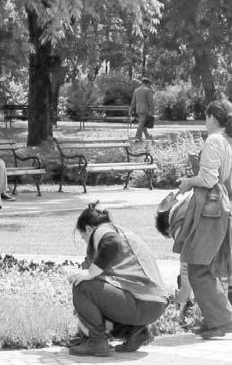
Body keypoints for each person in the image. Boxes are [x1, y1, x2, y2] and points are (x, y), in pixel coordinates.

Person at [69, 202, 168, 357]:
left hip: (140, 303)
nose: (85, 241)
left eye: (83, 237)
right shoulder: (123, 232)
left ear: (88, 229)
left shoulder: (102, 231)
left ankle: (96, 343)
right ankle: (136, 333)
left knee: (82, 285)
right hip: (154, 305)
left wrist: (90, 273)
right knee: (93, 291)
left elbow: (112, 243)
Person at [176, 99, 232, 339]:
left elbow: (208, 179)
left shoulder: (213, 140)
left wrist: (188, 181)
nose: (204, 119)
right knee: (206, 267)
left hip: (211, 211)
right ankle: (216, 320)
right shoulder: (226, 142)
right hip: (219, 209)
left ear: (211, 117)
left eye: (206, 116)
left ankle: (222, 320)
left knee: (198, 265)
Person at [155, 190, 195, 318]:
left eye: (173, 235)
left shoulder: (180, 225)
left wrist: (182, 299)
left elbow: (186, 269)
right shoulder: (189, 205)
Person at [129, 77, 155, 141]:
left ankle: (147, 136)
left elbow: (133, 102)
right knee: (141, 123)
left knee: (142, 123)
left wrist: (130, 110)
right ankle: (137, 137)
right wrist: (152, 110)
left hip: (138, 109)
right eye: (149, 84)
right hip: (145, 109)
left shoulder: (136, 90)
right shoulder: (148, 90)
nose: (150, 86)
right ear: (147, 83)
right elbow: (150, 101)